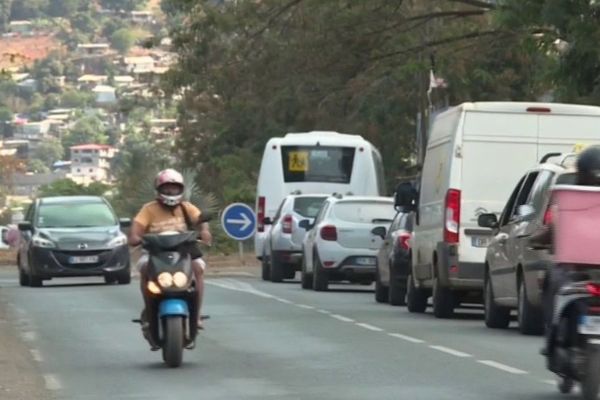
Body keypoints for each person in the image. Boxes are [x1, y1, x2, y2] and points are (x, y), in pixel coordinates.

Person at [533, 146, 600, 357]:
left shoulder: (571, 195)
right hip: (577, 272)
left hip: (573, 270)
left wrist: (536, 240)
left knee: (552, 282)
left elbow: (554, 228)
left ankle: (552, 334)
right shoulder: (569, 194)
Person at [128, 169, 212, 335]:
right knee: (145, 269)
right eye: (167, 188)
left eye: (174, 188)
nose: (171, 192)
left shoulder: (187, 208)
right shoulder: (148, 209)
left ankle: (196, 314)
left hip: (184, 252)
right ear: (159, 190)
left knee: (198, 268)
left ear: (181, 189)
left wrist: (205, 231)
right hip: (155, 252)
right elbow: (136, 230)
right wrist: (136, 237)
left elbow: (201, 220)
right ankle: (149, 310)